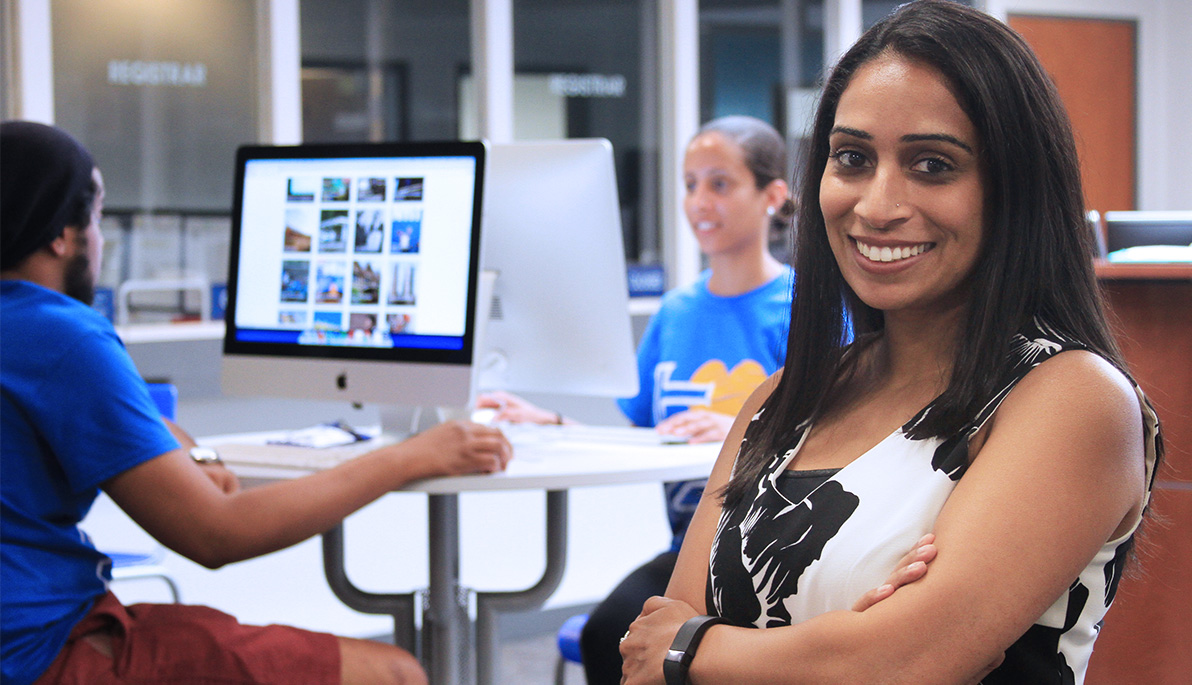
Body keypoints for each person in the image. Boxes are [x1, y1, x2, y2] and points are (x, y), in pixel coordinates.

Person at [618, 2, 1161, 683]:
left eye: (933, 165)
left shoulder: (1073, 398)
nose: (876, 205)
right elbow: (649, 658)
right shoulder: (782, 398)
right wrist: (841, 644)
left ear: (1014, 187)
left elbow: (902, 660)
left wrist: (699, 651)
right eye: (852, 158)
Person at [0, 121, 512, 685]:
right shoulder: (62, 335)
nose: (100, 239)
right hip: (35, 653)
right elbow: (217, 534)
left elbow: (132, 433)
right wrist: (417, 455)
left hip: (37, 627)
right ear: (60, 236)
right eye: (96, 218)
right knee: (392, 673)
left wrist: (189, 456)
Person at [478, 115, 796, 683]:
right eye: (690, 183)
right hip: (689, 552)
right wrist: (551, 423)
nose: (699, 201)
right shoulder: (675, 313)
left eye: (720, 183)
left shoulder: (802, 309)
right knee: (612, 637)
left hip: (775, 550)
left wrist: (744, 424)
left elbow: (846, 434)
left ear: (773, 195)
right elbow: (644, 440)